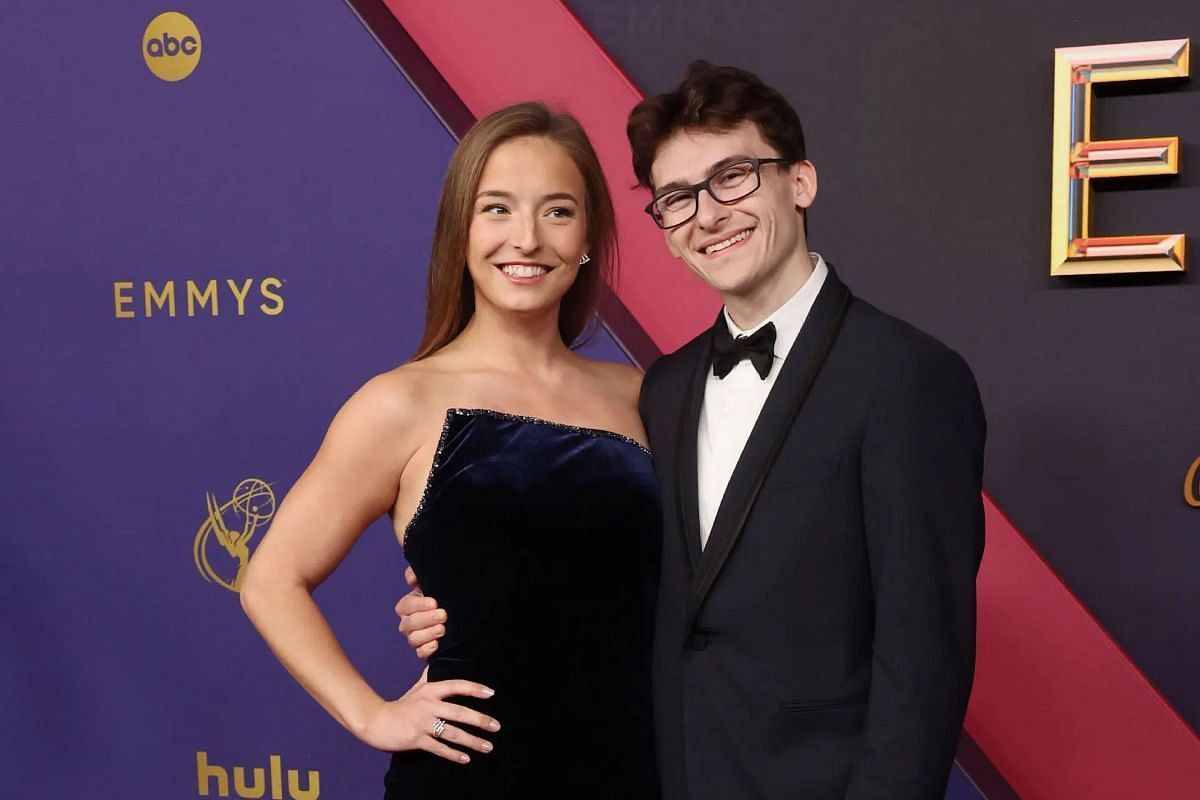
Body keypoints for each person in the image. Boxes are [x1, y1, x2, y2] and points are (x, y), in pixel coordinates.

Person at [398, 63, 986, 799]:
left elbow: (924, 655)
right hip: (658, 776)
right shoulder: (663, 390)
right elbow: (612, 560)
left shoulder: (906, 377)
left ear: (800, 182)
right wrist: (464, 584)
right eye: (678, 198)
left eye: (733, 177)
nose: (709, 216)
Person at [240, 102, 660, 799]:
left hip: (641, 769)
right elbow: (270, 580)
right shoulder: (401, 403)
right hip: (473, 779)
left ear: (588, 238)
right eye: (497, 209)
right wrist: (374, 715)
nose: (526, 239)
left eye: (557, 212)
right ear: (460, 231)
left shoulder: (644, 396)